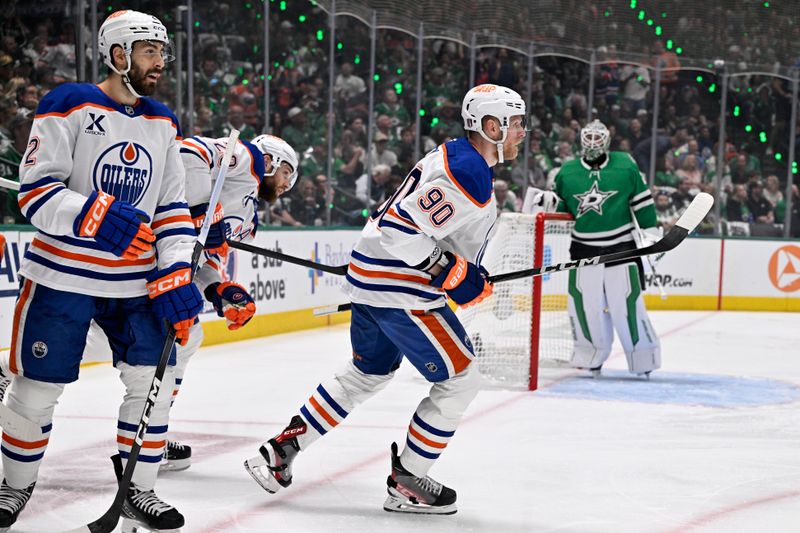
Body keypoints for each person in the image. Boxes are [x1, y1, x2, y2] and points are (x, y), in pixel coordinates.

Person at [244, 84, 527, 515]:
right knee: (461, 379)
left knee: (366, 374)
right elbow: (401, 228)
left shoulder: (455, 155)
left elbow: (419, 228)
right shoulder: (470, 171)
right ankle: (409, 479)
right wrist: (451, 271)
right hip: (401, 289)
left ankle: (282, 449)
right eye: (517, 123)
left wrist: (462, 271)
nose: (522, 132)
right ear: (492, 126)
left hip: (374, 280)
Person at [0, 10, 203, 532]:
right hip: (62, 278)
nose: (161, 62)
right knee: (35, 391)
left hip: (133, 283)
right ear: (117, 53)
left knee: (151, 383)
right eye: (150, 51)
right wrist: (94, 214)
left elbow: (173, 209)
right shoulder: (67, 104)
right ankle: (13, 486)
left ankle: (139, 490)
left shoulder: (163, 120)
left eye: (163, 52)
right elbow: (36, 194)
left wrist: (175, 271)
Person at [158, 133, 298, 471]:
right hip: (151, 253)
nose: (287, 185)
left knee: (185, 340)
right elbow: (188, 151)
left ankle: (152, 436)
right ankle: (15, 372)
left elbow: (207, 262)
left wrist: (220, 291)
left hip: (174, 272)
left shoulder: (249, 222)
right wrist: (200, 209)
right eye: (286, 173)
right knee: (104, 338)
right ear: (270, 161)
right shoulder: (246, 158)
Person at [530, 120, 661, 378]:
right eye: (587, 138)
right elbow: (564, 209)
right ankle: (590, 356)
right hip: (583, 249)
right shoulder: (566, 172)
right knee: (583, 305)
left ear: (607, 140)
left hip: (621, 246)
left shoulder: (625, 165)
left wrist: (651, 234)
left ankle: (643, 357)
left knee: (626, 304)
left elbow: (642, 203)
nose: (592, 143)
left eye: (597, 138)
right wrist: (549, 202)